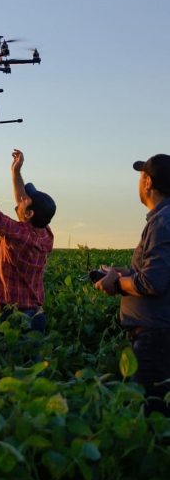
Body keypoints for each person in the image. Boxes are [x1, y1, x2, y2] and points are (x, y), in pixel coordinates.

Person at [94, 154, 170, 416]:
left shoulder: (162, 222)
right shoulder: (162, 219)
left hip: (155, 337)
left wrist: (118, 283)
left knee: (151, 415)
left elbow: (153, 281)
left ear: (148, 182)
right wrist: (123, 273)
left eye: (141, 176)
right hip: (159, 332)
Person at [0, 141, 56, 335]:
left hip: (16, 318)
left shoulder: (19, 234)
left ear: (30, 214)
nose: (23, 198)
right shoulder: (45, 235)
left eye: (27, 199)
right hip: (36, 316)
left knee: (11, 364)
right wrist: (15, 172)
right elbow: (21, 203)